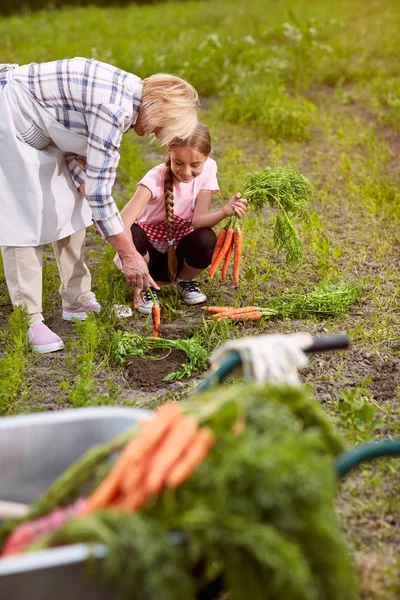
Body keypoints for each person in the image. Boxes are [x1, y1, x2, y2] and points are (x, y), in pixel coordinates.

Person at [0, 57, 198, 353]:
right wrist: (128, 253)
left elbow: (73, 141)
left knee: (74, 204)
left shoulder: (132, 94)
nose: (159, 135)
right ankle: (29, 320)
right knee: (22, 218)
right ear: (157, 107)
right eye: (163, 126)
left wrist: (83, 185)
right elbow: (100, 191)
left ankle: (76, 300)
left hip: (42, 127)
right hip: (10, 114)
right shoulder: (114, 110)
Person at [115, 122, 248, 314]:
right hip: (147, 258)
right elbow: (121, 223)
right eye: (178, 163)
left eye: (195, 165)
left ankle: (184, 281)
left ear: (208, 156)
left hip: (177, 257)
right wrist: (132, 260)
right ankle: (146, 286)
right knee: (133, 233)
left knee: (207, 238)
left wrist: (226, 210)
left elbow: (198, 221)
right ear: (169, 151)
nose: (186, 172)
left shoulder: (209, 168)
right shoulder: (154, 179)